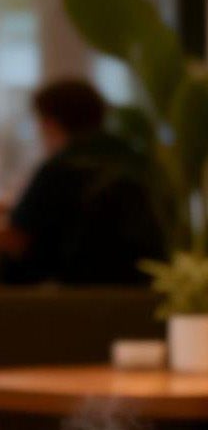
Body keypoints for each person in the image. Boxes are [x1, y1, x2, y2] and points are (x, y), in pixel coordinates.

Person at [0, 78, 165, 286]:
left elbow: (18, 239)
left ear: (50, 123)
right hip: (143, 284)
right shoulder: (133, 159)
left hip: (76, 291)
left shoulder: (62, 167)